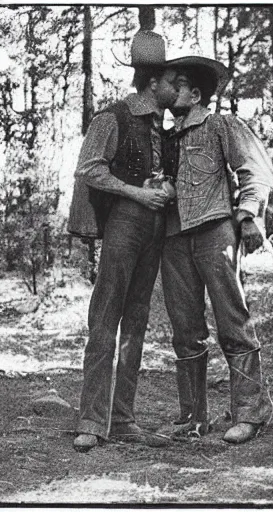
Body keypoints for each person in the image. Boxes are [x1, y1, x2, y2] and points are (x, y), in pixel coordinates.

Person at [67, 31, 178, 452]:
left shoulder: (162, 129)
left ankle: (124, 419)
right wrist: (136, 193)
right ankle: (92, 422)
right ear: (153, 83)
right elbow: (88, 170)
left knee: (136, 323)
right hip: (124, 225)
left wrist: (162, 190)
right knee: (105, 320)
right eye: (172, 81)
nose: (176, 88)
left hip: (153, 228)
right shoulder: (112, 117)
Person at [158, 56, 273, 444]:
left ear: (194, 94)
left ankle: (249, 413)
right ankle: (193, 418)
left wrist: (247, 216)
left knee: (232, 320)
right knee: (185, 330)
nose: (168, 89)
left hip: (215, 231)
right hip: (173, 239)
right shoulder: (163, 137)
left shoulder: (221, 125)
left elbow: (255, 167)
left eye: (176, 84)